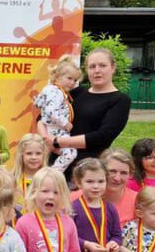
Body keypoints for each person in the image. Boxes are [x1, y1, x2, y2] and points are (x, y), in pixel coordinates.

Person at [42, 48, 131, 179]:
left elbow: (102, 136)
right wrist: (46, 139)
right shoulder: (76, 92)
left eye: (102, 65)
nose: (97, 70)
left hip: (87, 171)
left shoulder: (120, 100)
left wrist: (58, 142)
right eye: (92, 66)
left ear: (113, 67)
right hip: (54, 163)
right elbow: (44, 115)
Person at [33, 55, 81, 172]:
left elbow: (38, 103)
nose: (72, 83)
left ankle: (42, 173)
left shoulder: (49, 88)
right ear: (57, 77)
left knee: (44, 155)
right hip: (56, 131)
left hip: (51, 130)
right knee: (71, 152)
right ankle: (53, 173)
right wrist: (65, 123)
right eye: (69, 78)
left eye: (75, 80)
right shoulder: (57, 92)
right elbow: (50, 111)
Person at [12, 133, 47, 214]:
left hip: (41, 224)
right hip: (16, 224)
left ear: (44, 154)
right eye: (29, 153)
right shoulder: (12, 179)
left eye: (38, 153)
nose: (34, 157)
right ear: (21, 154)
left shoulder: (49, 179)